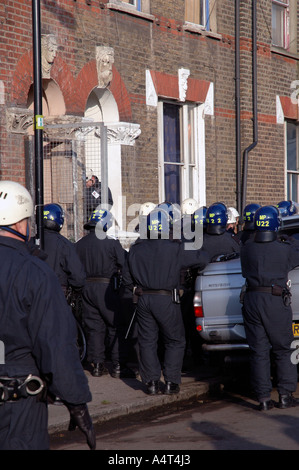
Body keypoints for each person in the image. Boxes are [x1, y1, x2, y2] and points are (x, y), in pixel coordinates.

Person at [0, 181, 95, 450]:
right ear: (21, 224)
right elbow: (56, 345)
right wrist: (76, 402)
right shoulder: (35, 272)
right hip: (18, 403)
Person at [122, 208, 210, 395]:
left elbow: (127, 280)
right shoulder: (175, 247)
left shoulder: (136, 249)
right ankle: (171, 382)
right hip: (167, 299)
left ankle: (152, 383)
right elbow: (202, 259)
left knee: (147, 341)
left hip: (143, 299)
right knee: (175, 340)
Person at [240, 205, 299, 410]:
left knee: (259, 351)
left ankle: (264, 399)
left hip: (251, 300)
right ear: (276, 225)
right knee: (283, 348)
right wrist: (287, 239)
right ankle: (285, 395)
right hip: (274, 301)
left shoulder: (247, 247)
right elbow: (296, 252)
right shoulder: (284, 250)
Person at [76, 208, 126, 378]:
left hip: (86, 289)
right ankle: (117, 365)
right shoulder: (111, 243)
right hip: (106, 289)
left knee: (94, 327)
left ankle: (97, 365)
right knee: (114, 325)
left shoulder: (79, 244)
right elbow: (124, 263)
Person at [42, 203, 86, 296]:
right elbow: (78, 278)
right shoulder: (64, 245)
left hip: (32, 295)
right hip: (56, 294)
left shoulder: (31, 242)